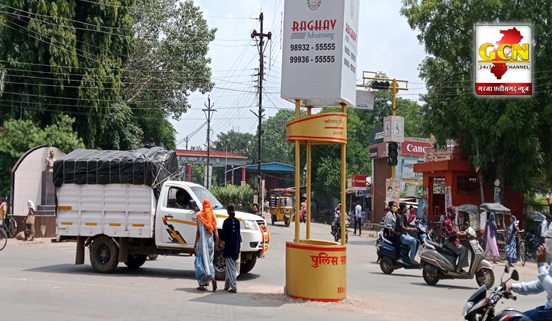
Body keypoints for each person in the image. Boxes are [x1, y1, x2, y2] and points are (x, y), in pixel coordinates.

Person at [505, 225, 552, 321]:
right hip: (548, 309)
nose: (547, 240)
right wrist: (512, 286)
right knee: (513, 317)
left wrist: (540, 264)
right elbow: (540, 285)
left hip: (549, 313)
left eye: (550, 237)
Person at [194, 199, 220, 292]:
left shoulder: (199, 216)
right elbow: (215, 230)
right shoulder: (212, 215)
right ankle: (212, 278)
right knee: (209, 261)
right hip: (210, 241)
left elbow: (198, 232)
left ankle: (202, 284)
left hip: (202, 242)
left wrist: (195, 244)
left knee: (201, 262)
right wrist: (218, 241)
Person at [440, 205, 469, 274]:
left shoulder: (450, 221)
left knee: (462, 249)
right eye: (453, 212)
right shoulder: (448, 221)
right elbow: (453, 233)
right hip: (448, 241)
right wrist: (462, 234)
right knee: (463, 250)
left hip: (451, 240)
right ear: (450, 212)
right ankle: (458, 269)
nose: (454, 214)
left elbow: (455, 231)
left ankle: (459, 266)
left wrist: (463, 232)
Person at [221, 203, 241, 293]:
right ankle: (227, 285)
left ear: (227, 212)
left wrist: (221, 245)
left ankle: (234, 286)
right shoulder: (237, 222)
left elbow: (224, 237)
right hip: (236, 246)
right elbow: (239, 235)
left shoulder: (226, 222)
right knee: (229, 266)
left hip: (229, 246)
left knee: (231, 267)